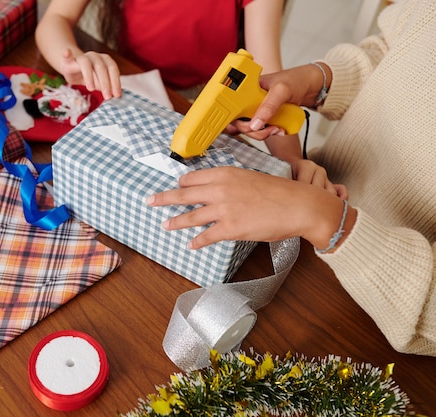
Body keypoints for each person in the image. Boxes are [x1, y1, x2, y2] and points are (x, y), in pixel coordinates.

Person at [147, 0, 435, 356]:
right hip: (318, 193)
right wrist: (320, 81)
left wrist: (326, 218)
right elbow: (396, 47)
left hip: (379, 302)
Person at [35, 0, 341, 196]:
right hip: (132, 82)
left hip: (209, 92)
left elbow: (270, 76)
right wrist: (72, 59)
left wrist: (291, 162)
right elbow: (56, 18)